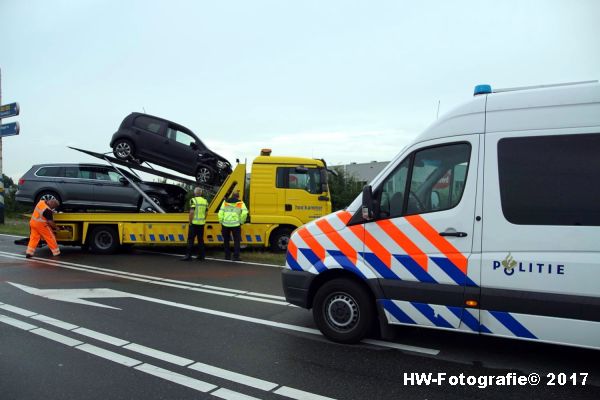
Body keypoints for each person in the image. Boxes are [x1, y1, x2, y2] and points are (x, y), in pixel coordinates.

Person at [218, 191, 248, 261]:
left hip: (225, 224)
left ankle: (227, 256)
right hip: (236, 225)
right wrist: (241, 221)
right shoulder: (240, 203)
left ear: (232, 195)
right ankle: (236, 256)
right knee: (236, 241)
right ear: (238, 196)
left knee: (226, 240)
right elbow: (244, 213)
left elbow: (220, 212)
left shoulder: (225, 202)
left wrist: (221, 221)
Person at [181, 187, 208, 261]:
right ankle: (201, 256)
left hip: (194, 224)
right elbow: (206, 213)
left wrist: (190, 221)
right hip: (201, 224)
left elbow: (192, 212)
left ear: (195, 193)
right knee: (200, 240)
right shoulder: (205, 201)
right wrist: (203, 219)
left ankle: (188, 256)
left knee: (190, 240)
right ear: (201, 193)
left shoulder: (193, 200)